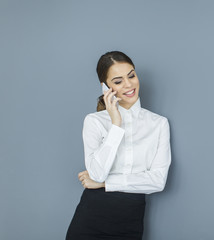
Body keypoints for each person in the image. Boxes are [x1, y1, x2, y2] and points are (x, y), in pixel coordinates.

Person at [66, 51, 172, 240]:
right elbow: (97, 173)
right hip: (90, 221)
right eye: (118, 81)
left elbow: (157, 181)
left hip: (129, 223)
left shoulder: (158, 124)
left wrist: (105, 183)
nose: (129, 84)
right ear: (105, 87)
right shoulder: (94, 121)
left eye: (131, 75)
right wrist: (116, 123)